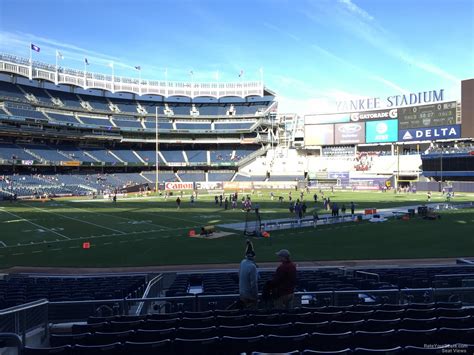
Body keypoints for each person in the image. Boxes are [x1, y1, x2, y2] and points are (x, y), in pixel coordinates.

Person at [239, 240, 258, 309]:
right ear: (254, 257)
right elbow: (254, 284)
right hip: (249, 295)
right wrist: (255, 296)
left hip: (242, 293)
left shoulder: (242, 262)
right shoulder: (252, 267)